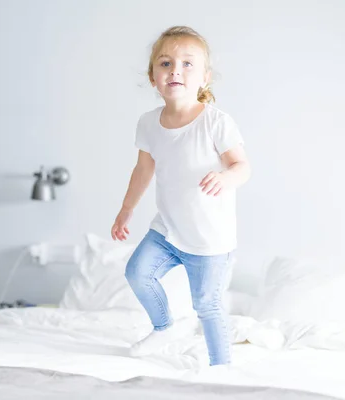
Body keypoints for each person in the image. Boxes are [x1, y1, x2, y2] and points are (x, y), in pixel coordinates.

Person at [110, 26, 251, 367]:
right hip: (168, 230)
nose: (176, 70)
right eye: (165, 63)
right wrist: (126, 210)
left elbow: (242, 166)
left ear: (205, 77)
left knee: (206, 305)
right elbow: (142, 170)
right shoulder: (148, 123)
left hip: (209, 240)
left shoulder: (216, 122)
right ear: (153, 77)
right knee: (137, 272)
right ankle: (164, 327)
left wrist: (225, 177)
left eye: (188, 64)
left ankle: (222, 368)